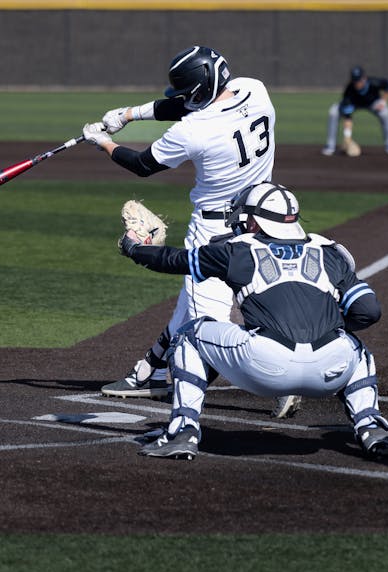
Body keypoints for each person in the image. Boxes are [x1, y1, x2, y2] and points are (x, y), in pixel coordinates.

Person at [117, 181, 388, 460]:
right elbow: (369, 310)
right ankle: (373, 428)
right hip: (330, 371)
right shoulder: (329, 252)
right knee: (354, 347)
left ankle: (182, 431)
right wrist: (329, 329)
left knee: (189, 336)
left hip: (265, 368)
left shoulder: (238, 251)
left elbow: (172, 260)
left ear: (255, 222)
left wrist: (133, 247)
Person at [82, 45, 301, 420]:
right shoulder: (256, 89)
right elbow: (186, 103)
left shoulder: (193, 131)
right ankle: (151, 372)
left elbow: (142, 165)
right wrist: (129, 115)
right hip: (261, 219)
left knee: (206, 329)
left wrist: (102, 141)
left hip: (214, 230)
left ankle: (279, 382)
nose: (183, 100)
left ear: (197, 93)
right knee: (192, 301)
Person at [321, 65, 388, 157]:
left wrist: (383, 101)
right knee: (333, 112)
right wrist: (347, 137)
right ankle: (330, 146)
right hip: (354, 104)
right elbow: (348, 116)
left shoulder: (373, 82)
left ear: (364, 78)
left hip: (372, 103)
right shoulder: (349, 91)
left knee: (385, 113)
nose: (357, 83)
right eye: (355, 81)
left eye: (359, 80)